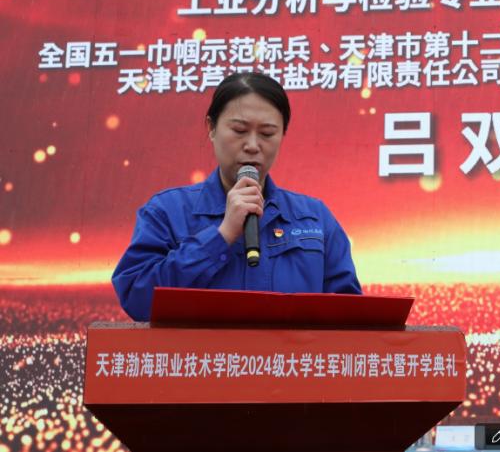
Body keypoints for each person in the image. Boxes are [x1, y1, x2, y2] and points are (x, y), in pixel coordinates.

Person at [112, 72, 361, 321]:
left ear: (282, 134)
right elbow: (137, 298)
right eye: (239, 130)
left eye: (267, 133)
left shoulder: (315, 218)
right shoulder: (167, 211)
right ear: (211, 128)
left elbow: (349, 317)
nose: (252, 145)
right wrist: (221, 236)